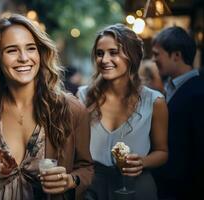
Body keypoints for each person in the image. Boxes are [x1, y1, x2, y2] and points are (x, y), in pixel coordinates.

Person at [0, 14, 93, 200]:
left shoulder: (71, 110)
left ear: (40, 53)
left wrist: (71, 181)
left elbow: (86, 168)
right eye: (12, 50)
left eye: (31, 48)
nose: (24, 58)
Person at [77, 24, 168, 200]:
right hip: (92, 190)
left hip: (137, 189)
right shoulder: (82, 97)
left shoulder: (155, 101)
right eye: (99, 53)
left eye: (113, 52)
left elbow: (162, 152)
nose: (104, 59)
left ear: (132, 56)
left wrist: (143, 161)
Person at [152, 26, 204, 200]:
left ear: (176, 55)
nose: (153, 60)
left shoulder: (199, 93)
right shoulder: (170, 87)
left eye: (157, 54)